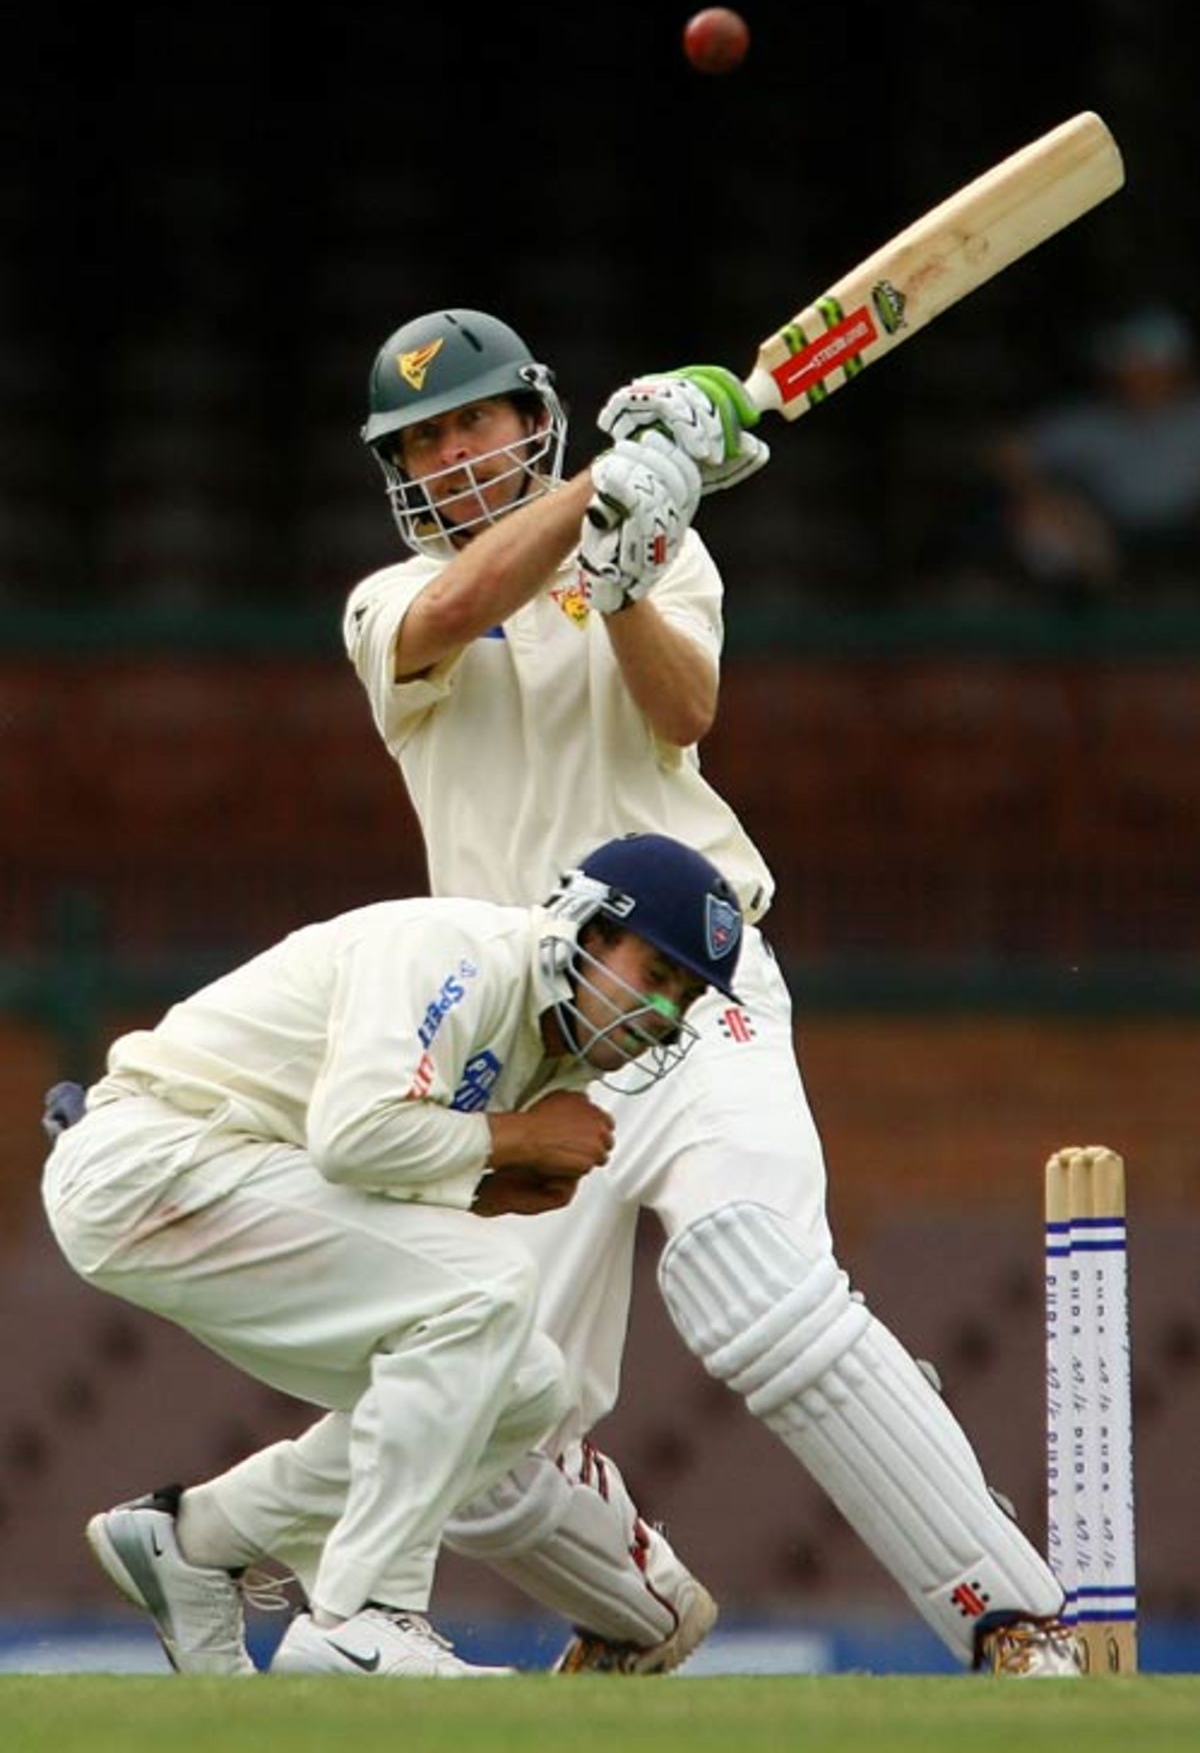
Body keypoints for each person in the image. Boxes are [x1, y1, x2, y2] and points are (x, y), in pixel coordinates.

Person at [76, 309, 1080, 1680]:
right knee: (483, 1408)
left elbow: (684, 715)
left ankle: (1011, 1619)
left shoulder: (661, 531)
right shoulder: (384, 603)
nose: (449, 452)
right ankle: (603, 1609)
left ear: (531, 415)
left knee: (756, 1282)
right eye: (419, 438)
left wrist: (621, 574)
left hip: (688, 988)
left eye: (470, 421)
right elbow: (455, 608)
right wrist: (599, 495)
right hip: (519, 1035)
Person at [41, 831, 744, 1677]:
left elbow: (358, 1174)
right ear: (589, 933)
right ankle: (361, 1613)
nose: (663, 1015)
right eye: (655, 975)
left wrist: (485, 1185)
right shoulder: (463, 955)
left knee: (525, 1387)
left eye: (685, 997)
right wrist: (508, 1137)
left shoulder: (552, 1050)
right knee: (486, 1287)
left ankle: (196, 1540)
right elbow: (350, 1135)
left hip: (208, 1175)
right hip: (150, 1156)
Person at [940, 302, 1200, 608]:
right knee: (1038, 517)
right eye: (1131, 364)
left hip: (1189, 536)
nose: (1140, 375)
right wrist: (1038, 493)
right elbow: (1008, 448)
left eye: (1150, 364)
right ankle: (1084, 622)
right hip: (1109, 545)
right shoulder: (1091, 420)